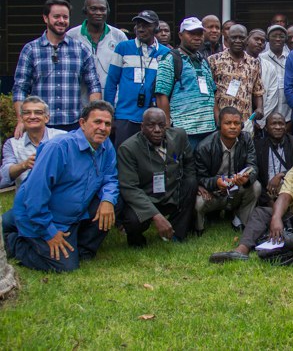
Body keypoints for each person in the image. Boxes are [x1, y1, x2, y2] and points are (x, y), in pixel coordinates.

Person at [1, 101, 119, 272]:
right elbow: (34, 196)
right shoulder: (58, 148)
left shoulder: (106, 146)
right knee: (65, 266)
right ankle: (12, 241)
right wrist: (49, 232)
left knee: (117, 200)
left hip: (73, 216)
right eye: (97, 122)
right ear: (82, 123)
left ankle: (81, 248)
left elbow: (110, 177)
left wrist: (108, 199)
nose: (102, 127)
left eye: (107, 124)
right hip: (42, 217)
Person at [209, 130, 293, 262]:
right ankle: (241, 250)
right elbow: (285, 196)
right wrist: (276, 218)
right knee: (261, 213)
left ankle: (280, 243)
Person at [12, 0, 101, 136]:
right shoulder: (31, 50)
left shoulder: (80, 49)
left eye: (65, 17)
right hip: (41, 125)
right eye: (56, 16)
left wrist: (93, 117)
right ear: (45, 18)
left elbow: (94, 85)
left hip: (74, 125)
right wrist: (21, 120)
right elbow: (20, 88)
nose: (61, 20)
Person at [117, 108, 197, 247]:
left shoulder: (179, 136)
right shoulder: (128, 149)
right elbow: (130, 188)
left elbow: (189, 162)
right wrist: (156, 215)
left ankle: (177, 233)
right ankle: (137, 241)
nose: (157, 130)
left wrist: (190, 182)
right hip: (146, 197)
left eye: (161, 125)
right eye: (151, 125)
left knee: (191, 183)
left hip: (171, 194)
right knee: (132, 220)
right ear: (142, 127)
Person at [105, 9, 170, 148]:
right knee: (123, 157)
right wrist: (109, 115)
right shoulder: (123, 47)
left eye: (146, 25)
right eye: (138, 25)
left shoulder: (166, 53)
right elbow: (111, 83)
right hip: (125, 117)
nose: (141, 29)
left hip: (154, 120)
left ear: (156, 27)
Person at [194, 107, 261, 235]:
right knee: (198, 201)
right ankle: (199, 227)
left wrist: (247, 178)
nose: (233, 127)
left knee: (256, 186)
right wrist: (216, 182)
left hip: (236, 187)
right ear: (220, 125)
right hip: (214, 192)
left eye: (236, 123)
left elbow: (253, 166)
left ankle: (240, 221)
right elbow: (199, 177)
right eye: (228, 123)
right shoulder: (205, 146)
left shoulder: (246, 139)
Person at [155, 17, 217, 150]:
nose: (196, 37)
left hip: (209, 130)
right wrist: (166, 127)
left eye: (199, 34)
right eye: (191, 33)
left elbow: (212, 93)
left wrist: (217, 123)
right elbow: (161, 95)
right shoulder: (170, 59)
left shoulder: (204, 61)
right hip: (184, 131)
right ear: (180, 35)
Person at [66, 0, 127, 101]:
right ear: (85, 11)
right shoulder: (72, 36)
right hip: (79, 101)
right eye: (93, 9)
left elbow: (126, 69)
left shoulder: (118, 36)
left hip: (112, 101)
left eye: (102, 9)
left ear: (107, 11)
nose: (98, 13)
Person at [0, 97, 66, 190]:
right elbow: (5, 175)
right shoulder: (12, 144)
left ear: (46, 118)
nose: (32, 116)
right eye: (27, 113)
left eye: (38, 112)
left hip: (59, 195)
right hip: (26, 198)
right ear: (22, 118)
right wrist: (24, 165)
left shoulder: (63, 137)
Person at [209, 24, 264, 125]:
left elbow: (258, 91)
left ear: (247, 40)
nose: (238, 40)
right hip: (222, 120)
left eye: (241, 38)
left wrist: (260, 108)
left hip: (245, 120)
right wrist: (217, 119)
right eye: (234, 37)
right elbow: (209, 93)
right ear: (227, 39)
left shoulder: (254, 63)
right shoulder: (214, 60)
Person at [254, 112, 293, 207]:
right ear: (266, 128)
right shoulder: (258, 146)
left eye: (281, 124)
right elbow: (257, 176)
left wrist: (281, 175)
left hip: (290, 190)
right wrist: (269, 201)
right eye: (273, 124)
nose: (278, 127)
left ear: (286, 127)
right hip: (267, 194)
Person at [245, 28, 279, 132]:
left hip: (260, 123)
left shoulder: (269, 67)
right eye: (256, 39)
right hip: (237, 121)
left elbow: (272, 98)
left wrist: (258, 121)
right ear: (247, 40)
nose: (260, 42)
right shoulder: (234, 64)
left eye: (263, 41)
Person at [261, 25, 292, 125]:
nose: (278, 39)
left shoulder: (292, 58)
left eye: (281, 36)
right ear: (268, 38)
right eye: (274, 36)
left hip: (287, 116)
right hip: (266, 116)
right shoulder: (260, 59)